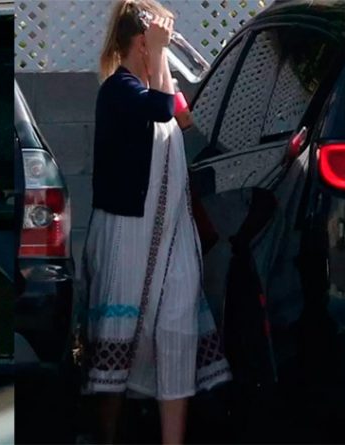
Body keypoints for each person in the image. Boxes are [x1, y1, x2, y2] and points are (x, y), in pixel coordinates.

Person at [81, 0, 231, 443]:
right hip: (129, 234)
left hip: (172, 234)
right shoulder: (118, 90)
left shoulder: (152, 87)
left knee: (177, 328)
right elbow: (161, 110)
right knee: (119, 336)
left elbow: (183, 121)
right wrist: (159, 53)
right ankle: (105, 435)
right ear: (142, 42)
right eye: (158, 41)